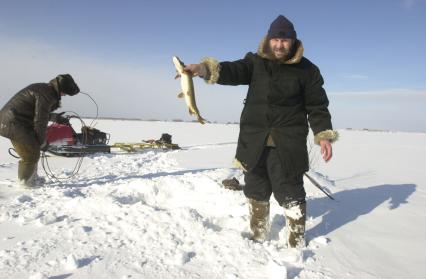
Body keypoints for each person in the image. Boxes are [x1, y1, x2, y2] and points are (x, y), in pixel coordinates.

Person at [185, 15, 338, 248]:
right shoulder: (255, 62)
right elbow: (233, 71)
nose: (279, 45)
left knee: (290, 191)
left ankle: (296, 243)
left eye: (285, 40)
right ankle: (258, 235)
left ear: (293, 41)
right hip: (253, 140)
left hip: (287, 143)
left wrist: (323, 134)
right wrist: (204, 69)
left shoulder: (308, 71)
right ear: (268, 39)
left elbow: (317, 106)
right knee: (255, 188)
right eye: (275, 39)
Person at [0, 74, 80, 188]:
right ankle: (26, 183)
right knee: (30, 154)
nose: (64, 95)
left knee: (33, 150)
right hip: (13, 123)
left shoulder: (45, 90)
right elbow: (40, 120)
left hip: (16, 121)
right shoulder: (47, 94)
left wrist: (55, 118)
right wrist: (42, 142)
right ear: (61, 89)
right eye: (65, 93)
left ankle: (32, 178)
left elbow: (39, 112)